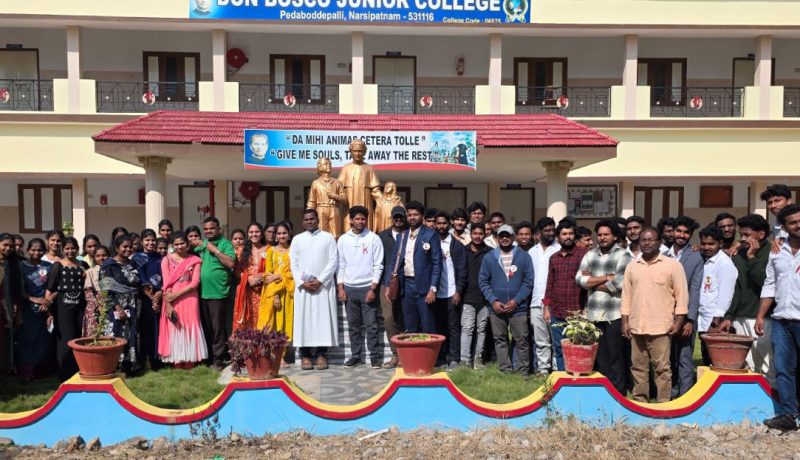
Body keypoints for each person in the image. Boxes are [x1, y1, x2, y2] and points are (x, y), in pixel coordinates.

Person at [621, 227, 688, 403]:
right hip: (637, 326)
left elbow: (681, 296)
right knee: (638, 367)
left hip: (661, 327)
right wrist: (625, 322)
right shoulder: (632, 266)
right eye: (643, 240)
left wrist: (679, 321)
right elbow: (626, 296)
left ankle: (663, 402)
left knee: (662, 369)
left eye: (651, 240)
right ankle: (640, 400)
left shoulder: (672, 265)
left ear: (659, 242)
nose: (646, 243)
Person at [576, 220, 633, 394]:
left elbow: (620, 283)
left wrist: (592, 281)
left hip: (614, 313)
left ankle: (618, 392)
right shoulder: (590, 255)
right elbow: (579, 279)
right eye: (599, 234)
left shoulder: (623, 255)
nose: (602, 238)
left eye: (606, 234)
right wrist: (605, 277)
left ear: (614, 236)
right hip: (594, 314)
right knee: (600, 356)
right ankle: (604, 391)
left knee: (616, 355)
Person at [758, 204, 800, 431]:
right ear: (784, 227)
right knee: (784, 369)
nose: (799, 225)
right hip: (782, 318)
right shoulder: (777, 252)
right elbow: (770, 284)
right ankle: (788, 416)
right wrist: (760, 316)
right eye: (793, 223)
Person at [719, 213, 773, 380]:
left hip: (763, 318)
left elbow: (766, 284)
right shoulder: (738, 254)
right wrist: (729, 315)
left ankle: (772, 403)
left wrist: (752, 258)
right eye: (741, 234)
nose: (742, 238)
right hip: (740, 317)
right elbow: (737, 288)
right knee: (747, 366)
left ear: (761, 234)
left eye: (747, 235)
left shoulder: (773, 253)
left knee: (767, 366)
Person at [479, 225, 534, 374]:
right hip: (496, 308)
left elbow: (528, 282)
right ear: (497, 238)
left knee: (521, 340)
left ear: (513, 237)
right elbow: (483, 281)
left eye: (507, 236)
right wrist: (493, 301)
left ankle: (522, 372)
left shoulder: (524, 256)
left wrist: (516, 301)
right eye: (501, 236)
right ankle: (505, 370)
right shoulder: (489, 257)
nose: (504, 238)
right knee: (500, 340)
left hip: (518, 307)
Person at [383, 201, 442, 334]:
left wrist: (433, 288)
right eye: (409, 215)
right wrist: (387, 284)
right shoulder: (402, 236)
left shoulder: (430, 235)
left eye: (415, 214)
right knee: (410, 326)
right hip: (406, 286)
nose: (412, 217)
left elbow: (437, 263)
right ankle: (412, 355)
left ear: (422, 216)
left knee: (427, 325)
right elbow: (394, 262)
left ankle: (429, 355)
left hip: (424, 287)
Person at [291, 209, 339, 371]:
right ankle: (305, 355)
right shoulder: (297, 240)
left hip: (322, 287)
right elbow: (294, 265)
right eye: (306, 219)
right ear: (303, 222)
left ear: (318, 220)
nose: (309, 221)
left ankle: (321, 354)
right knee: (304, 320)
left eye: (312, 219)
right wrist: (302, 283)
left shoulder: (328, 238)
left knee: (322, 320)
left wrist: (320, 280)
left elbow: (333, 261)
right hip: (303, 288)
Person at [338, 206, 384, 369]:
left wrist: (373, 288)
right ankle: (355, 356)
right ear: (351, 220)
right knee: (353, 326)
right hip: (349, 289)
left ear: (367, 220)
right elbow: (341, 265)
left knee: (371, 325)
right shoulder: (343, 239)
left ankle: (375, 357)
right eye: (357, 219)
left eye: (363, 219)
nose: (360, 221)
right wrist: (341, 288)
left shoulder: (373, 239)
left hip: (367, 289)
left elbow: (378, 265)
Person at [666, 216, 704, 398]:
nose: (681, 235)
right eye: (678, 231)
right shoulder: (662, 255)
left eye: (686, 232)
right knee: (667, 358)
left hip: (685, 316)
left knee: (684, 358)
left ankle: (686, 396)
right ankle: (670, 394)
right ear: (672, 232)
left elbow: (695, 290)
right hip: (664, 316)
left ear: (691, 235)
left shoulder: (696, 257)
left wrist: (690, 319)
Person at [192, 216, 236, 370]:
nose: (208, 231)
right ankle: (208, 357)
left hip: (218, 293)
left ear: (218, 229)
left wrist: (215, 250)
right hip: (202, 293)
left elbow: (231, 263)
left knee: (218, 329)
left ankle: (218, 360)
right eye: (206, 229)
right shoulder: (202, 245)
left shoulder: (225, 244)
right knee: (207, 328)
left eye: (211, 228)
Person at [158, 232, 208, 368]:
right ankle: (177, 361)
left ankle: (190, 360)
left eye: (182, 243)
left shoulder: (195, 260)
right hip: (171, 299)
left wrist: (177, 294)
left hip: (190, 298)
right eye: (176, 244)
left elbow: (194, 283)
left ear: (187, 244)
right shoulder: (166, 260)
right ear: (173, 246)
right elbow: (167, 283)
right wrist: (168, 304)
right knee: (176, 326)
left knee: (190, 326)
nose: (179, 247)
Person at [543, 222, 588, 371]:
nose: (567, 237)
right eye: (564, 234)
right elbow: (550, 283)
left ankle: (578, 378)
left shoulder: (584, 255)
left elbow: (588, 282)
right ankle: (563, 378)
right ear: (558, 237)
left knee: (578, 348)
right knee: (559, 347)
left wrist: (586, 308)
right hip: (557, 311)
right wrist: (546, 308)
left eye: (570, 234)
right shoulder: (554, 258)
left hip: (577, 312)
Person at [44, 236, 87, 381]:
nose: (70, 251)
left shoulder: (82, 264)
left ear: (78, 249)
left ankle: (78, 369)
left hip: (81, 306)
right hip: (63, 308)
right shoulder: (58, 265)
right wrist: (48, 311)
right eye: (67, 248)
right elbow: (50, 289)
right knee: (66, 338)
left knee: (78, 336)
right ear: (63, 249)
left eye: (73, 248)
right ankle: (64, 373)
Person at [101, 235, 143, 373]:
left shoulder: (133, 264)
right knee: (117, 333)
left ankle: (130, 366)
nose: (128, 249)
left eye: (130, 246)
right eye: (124, 246)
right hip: (116, 306)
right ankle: (114, 366)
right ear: (116, 248)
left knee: (131, 334)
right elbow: (106, 289)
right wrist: (118, 309)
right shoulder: (108, 266)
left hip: (133, 304)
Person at [696, 225, 737, 365]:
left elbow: (726, 295)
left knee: (716, 359)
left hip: (714, 321)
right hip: (703, 317)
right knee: (705, 356)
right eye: (704, 243)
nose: (706, 247)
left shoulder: (725, 264)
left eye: (711, 244)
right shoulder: (703, 260)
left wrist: (716, 322)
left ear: (720, 243)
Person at [433, 210, 467, 369]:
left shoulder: (457, 245)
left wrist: (458, 291)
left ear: (450, 224)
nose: (441, 226)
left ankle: (454, 358)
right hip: (434, 294)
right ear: (434, 224)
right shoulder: (430, 242)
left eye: (444, 223)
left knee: (453, 327)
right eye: (438, 223)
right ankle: (440, 357)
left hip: (451, 292)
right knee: (438, 327)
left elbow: (462, 270)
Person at [261, 221, 295, 365]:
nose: (281, 236)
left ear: (289, 234)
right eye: (279, 233)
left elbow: (296, 271)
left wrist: (281, 276)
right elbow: (268, 275)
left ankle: (283, 355)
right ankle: (274, 355)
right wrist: (275, 294)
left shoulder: (294, 250)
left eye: (284, 233)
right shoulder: (271, 251)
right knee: (273, 323)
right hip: (274, 293)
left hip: (288, 291)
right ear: (275, 236)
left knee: (287, 322)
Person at [18, 238, 53, 380]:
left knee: (44, 339)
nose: (36, 252)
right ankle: (26, 371)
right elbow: (18, 289)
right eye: (33, 249)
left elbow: (53, 287)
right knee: (29, 339)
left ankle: (41, 370)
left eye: (40, 250)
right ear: (28, 250)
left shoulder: (49, 266)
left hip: (46, 308)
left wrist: (47, 302)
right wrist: (33, 299)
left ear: (44, 251)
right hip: (28, 309)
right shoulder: (22, 267)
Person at [377, 205, 407, 368]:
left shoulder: (410, 235)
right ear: (392, 218)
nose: (398, 219)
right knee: (389, 319)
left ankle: (405, 355)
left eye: (401, 217)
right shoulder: (382, 237)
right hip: (386, 284)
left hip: (407, 283)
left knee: (404, 319)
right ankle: (395, 354)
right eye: (396, 217)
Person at [529, 216, 559, 375]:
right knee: (540, 340)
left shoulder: (559, 250)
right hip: (535, 302)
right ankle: (543, 369)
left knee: (555, 339)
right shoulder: (531, 252)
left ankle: (556, 369)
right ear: (539, 233)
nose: (550, 233)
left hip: (554, 303)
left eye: (552, 230)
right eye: (546, 231)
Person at [461, 224, 491, 368]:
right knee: (467, 329)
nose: (478, 236)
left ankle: (478, 360)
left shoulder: (490, 252)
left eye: (480, 233)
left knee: (481, 329)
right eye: (475, 233)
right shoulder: (463, 250)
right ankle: (465, 360)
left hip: (485, 299)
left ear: (485, 234)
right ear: (470, 234)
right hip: (467, 297)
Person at [136, 229, 164, 370]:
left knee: (158, 330)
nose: (150, 243)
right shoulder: (137, 257)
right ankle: (144, 361)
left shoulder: (160, 257)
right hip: (144, 299)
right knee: (145, 331)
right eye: (147, 240)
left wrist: (159, 293)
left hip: (160, 297)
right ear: (142, 242)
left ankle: (157, 360)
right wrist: (152, 297)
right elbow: (140, 278)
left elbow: (166, 276)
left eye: (153, 240)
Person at [338, 139, 381, 230]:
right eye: (355, 151)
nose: (357, 153)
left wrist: (384, 200)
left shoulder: (369, 168)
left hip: (366, 206)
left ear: (364, 152)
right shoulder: (346, 168)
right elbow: (338, 188)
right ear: (350, 152)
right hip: (348, 207)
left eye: (360, 151)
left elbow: (375, 190)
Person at [233, 223, 268, 332]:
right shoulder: (241, 251)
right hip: (246, 292)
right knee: (247, 321)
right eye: (251, 232)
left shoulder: (269, 250)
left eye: (257, 232)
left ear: (262, 234)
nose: (254, 234)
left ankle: (263, 348)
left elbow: (274, 270)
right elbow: (236, 271)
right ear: (248, 234)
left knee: (264, 320)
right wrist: (247, 278)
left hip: (264, 291)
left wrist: (263, 277)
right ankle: (248, 348)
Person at [0, 233, 23, 374]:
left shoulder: (14, 266)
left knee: (4, 341)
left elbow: (18, 293)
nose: (8, 248)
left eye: (11, 246)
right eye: (5, 245)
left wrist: (18, 314)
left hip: (4, 309)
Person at [307, 157, 347, 238]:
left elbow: (345, 199)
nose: (329, 165)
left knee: (336, 234)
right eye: (326, 164)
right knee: (321, 234)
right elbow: (312, 201)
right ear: (320, 167)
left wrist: (334, 196)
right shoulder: (316, 183)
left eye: (330, 164)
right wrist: (308, 214)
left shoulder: (337, 182)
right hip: (321, 209)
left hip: (334, 209)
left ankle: (335, 249)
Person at [82, 245, 109, 338]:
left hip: (110, 304)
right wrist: (98, 306)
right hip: (95, 307)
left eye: (104, 255)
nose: (101, 258)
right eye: (98, 256)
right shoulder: (90, 271)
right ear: (94, 257)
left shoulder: (112, 271)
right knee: (94, 334)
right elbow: (88, 292)